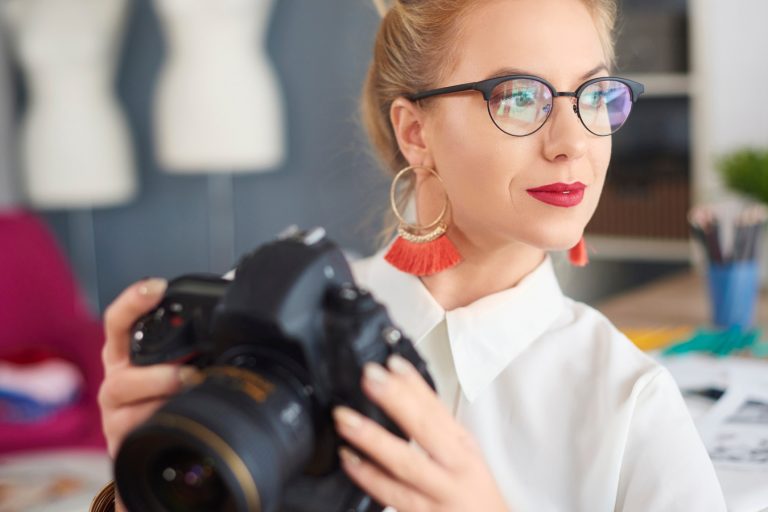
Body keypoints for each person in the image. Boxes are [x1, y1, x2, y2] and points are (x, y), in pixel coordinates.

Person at [92, 0, 728, 510]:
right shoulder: (258, 327)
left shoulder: (631, 403)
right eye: (519, 97)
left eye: (592, 96)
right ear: (416, 132)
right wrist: (141, 492)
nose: (573, 142)